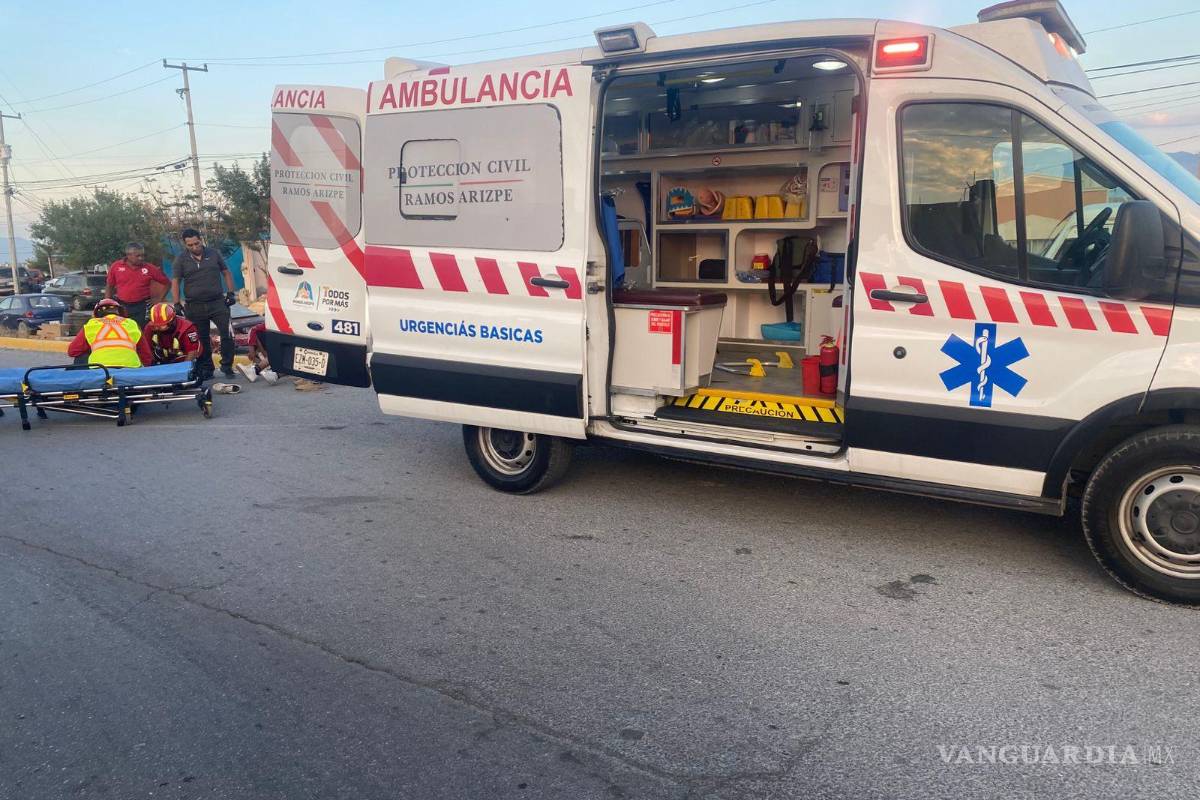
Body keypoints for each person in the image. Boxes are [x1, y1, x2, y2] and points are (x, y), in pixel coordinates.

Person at [171, 228, 237, 380]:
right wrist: (176, 303)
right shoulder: (180, 259)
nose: (195, 247)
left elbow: (226, 272)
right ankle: (207, 369)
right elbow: (175, 281)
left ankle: (227, 366)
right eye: (190, 245)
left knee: (228, 334)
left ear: (201, 240)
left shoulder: (214, 254)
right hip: (194, 306)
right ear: (185, 245)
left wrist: (231, 293)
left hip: (218, 303)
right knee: (201, 339)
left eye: (197, 243)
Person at [66, 298, 152, 368]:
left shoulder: (92, 324)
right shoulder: (131, 324)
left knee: (79, 359)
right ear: (120, 312)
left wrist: (92, 348)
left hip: (100, 369)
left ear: (97, 314)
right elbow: (146, 356)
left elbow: (72, 351)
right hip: (130, 368)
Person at [105, 242, 170, 329]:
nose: (141, 258)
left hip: (142, 306)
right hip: (122, 305)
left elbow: (167, 283)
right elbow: (110, 286)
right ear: (128, 255)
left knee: (142, 330)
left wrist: (158, 299)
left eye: (143, 255)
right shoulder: (116, 266)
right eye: (138, 256)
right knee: (123, 330)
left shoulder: (149, 268)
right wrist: (107, 303)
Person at [143, 302, 202, 366]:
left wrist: (183, 370)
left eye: (161, 326)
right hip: (163, 357)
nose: (157, 328)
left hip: (184, 358)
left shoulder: (187, 328)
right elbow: (146, 349)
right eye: (155, 326)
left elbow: (192, 352)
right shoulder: (150, 327)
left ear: (172, 322)